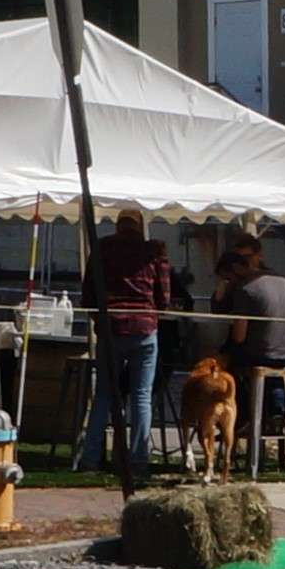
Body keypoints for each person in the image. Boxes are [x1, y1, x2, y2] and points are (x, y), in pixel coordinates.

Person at [78, 208, 174, 488]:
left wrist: (100, 319)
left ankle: (91, 459)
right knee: (141, 396)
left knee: (104, 395)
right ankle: (138, 460)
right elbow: (164, 298)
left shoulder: (102, 248)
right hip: (144, 328)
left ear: (118, 225)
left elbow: (88, 294)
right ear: (141, 226)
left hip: (111, 328)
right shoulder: (155, 250)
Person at [221, 245, 285, 475]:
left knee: (228, 364)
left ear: (236, 270)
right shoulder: (282, 280)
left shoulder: (246, 290)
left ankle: (243, 418)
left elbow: (239, 336)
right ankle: (275, 412)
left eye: (227, 278)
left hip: (261, 355)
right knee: (270, 378)